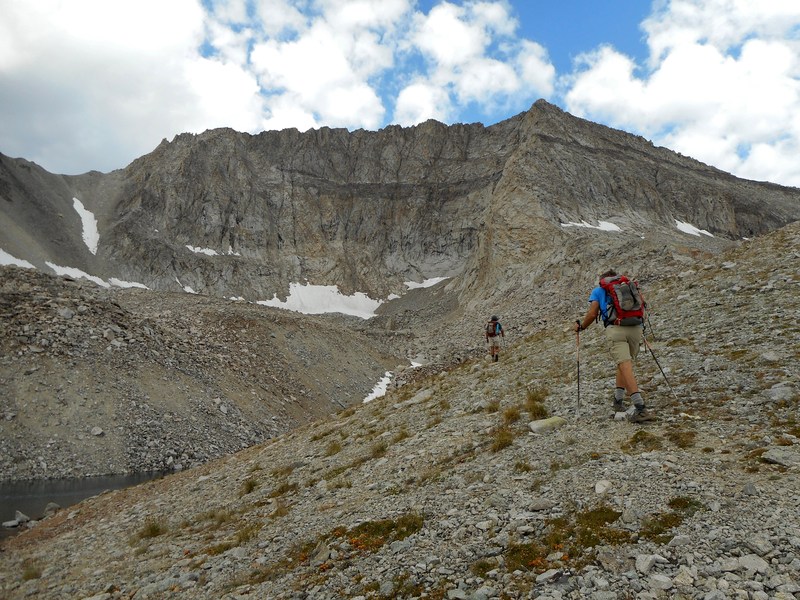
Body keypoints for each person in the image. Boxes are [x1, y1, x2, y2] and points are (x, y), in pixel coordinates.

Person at [574, 270, 654, 422]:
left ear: (603, 280)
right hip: (636, 328)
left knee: (624, 365)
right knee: (623, 364)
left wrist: (582, 327)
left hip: (615, 329)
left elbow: (592, 314)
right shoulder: (628, 286)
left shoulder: (599, 290)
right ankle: (618, 401)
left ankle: (640, 408)